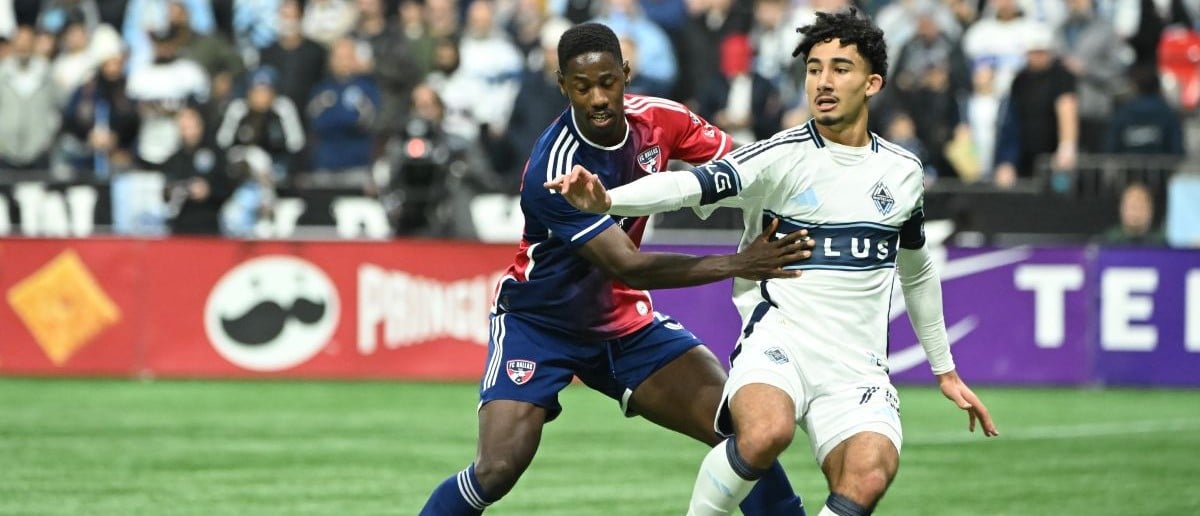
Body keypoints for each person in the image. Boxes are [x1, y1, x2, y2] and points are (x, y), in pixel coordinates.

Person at [546, 10, 999, 516]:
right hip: (779, 343)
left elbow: (916, 270)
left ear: (872, 83)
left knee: (869, 475)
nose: (823, 82)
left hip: (856, 367)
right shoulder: (777, 158)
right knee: (765, 432)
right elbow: (684, 185)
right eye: (814, 68)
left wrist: (945, 369)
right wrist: (608, 199)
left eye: (840, 69)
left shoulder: (903, 173)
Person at [419, 22, 812, 516]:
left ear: (626, 73)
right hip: (540, 323)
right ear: (563, 85)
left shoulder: (662, 121)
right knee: (497, 469)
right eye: (583, 87)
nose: (599, 97)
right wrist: (741, 262)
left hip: (623, 323)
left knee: (737, 428)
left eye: (608, 82)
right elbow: (630, 265)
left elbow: (749, 169)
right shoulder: (554, 169)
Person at [1094, 182, 1167, 246]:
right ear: (1121, 209)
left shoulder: (1164, 243)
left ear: (1150, 209)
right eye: (1131, 206)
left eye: (1140, 205)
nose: (1135, 211)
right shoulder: (1108, 241)